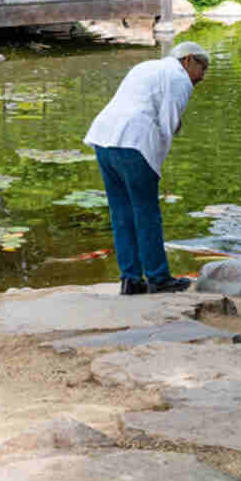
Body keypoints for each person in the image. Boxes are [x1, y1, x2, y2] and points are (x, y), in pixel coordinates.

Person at [84, 41, 209, 295]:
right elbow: (169, 123)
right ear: (188, 60)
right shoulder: (179, 77)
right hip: (134, 143)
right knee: (146, 212)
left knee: (121, 212)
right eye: (203, 68)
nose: (202, 77)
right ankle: (157, 277)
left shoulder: (147, 66)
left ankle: (130, 279)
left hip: (104, 138)